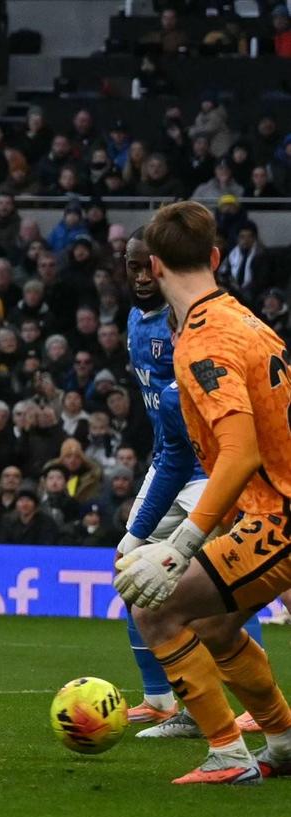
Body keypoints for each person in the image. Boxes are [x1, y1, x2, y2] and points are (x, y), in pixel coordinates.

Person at [115, 201, 291, 785]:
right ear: (215, 258)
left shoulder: (201, 342)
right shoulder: (246, 319)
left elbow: (240, 453)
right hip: (272, 509)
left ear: (155, 266)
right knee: (214, 626)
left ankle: (227, 754)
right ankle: (283, 740)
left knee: (154, 608)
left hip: (279, 518)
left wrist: (181, 545)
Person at [120, 229, 262, 736]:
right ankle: (161, 700)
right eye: (132, 266)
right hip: (171, 461)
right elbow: (166, 420)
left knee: (229, 582)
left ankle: (249, 707)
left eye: (148, 266)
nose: (141, 277)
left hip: (213, 468)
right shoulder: (136, 320)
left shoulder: (195, 324)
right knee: (131, 571)